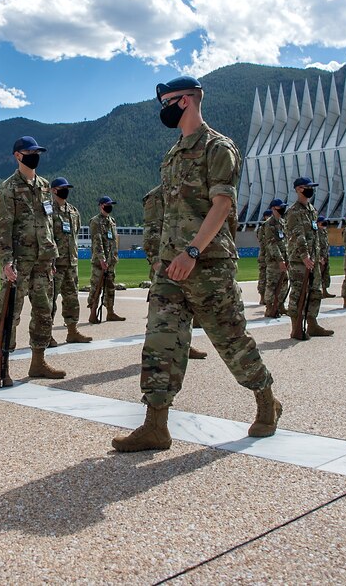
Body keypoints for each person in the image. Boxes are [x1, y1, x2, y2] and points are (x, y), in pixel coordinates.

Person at [112, 76, 280, 452]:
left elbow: (222, 205)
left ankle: (266, 400)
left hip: (207, 265)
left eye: (167, 102)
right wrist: (163, 258)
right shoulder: (172, 155)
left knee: (230, 339)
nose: (163, 109)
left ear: (186, 101)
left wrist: (192, 252)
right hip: (171, 267)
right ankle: (156, 425)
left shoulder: (218, 148)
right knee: (160, 341)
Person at [0, 136, 66, 379]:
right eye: (30, 151)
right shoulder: (8, 188)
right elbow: (2, 227)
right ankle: (3, 364)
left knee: (44, 311)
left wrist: (52, 257)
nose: (35, 156)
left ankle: (38, 362)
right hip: (20, 262)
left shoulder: (45, 186)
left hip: (43, 261)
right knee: (11, 312)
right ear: (17, 155)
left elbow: (49, 223)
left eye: (38, 152)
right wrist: (6, 261)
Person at [143, 185, 205, 359]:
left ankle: (183, 345)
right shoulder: (156, 196)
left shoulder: (185, 190)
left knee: (185, 309)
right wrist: (156, 263)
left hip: (185, 261)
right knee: (162, 314)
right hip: (166, 263)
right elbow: (151, 232)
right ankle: (157, 354)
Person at [285, 178, 333, 340]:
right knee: (299, 292)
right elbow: (297, 235)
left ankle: (312, 324)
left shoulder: (312, 210)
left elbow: (315, 235)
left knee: (315, 291)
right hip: (300, 260)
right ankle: (296, 327)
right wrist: (305, 256)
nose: (310, 190)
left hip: (313, 259)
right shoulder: (293, 211)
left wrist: (317, 256)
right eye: (307, 187)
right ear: (298, 189)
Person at [48, 178, 91, 345]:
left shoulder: (73, 211)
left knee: (71, 298)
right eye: (62, 188)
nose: (65, 190)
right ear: (53, 190)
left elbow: (76, 232)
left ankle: (72, 331)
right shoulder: (48, 210)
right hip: (55, 263)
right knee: (49, 300)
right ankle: (46, 334)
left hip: (71, 263)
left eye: (67, 188)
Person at [88, 196, 124, 323]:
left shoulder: (112, 221)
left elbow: (113, 241)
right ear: (101, 205)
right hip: (100, 262)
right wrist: (102, 259)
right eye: (108, 204)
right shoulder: (96, 221)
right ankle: (92, 312)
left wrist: (112, 258)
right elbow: (97, 242)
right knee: (96, 287)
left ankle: (110, 312)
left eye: (111, 204)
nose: (110, 206)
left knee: (110, 287)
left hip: (111, 261)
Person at [263, 199, 290, 317]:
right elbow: (271, 243)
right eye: (280, 207)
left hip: (285, 258)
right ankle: (269, 307)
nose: (283, 209)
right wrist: (280, 260)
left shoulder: (283, 222)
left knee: (284, 282)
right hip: (275, 261)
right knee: (272, 284)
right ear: (274, 208)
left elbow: (286, 241)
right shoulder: (269, 224)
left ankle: (280, 305)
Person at [316, 216, 332, 298]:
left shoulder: (324, 232)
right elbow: (317, 246)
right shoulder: (316, 232)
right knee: (319, 275)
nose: (325, 223)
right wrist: (319, 257)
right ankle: (319, 291)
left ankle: (325, 291)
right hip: (320, 257)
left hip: (326, 256)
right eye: (323, 222)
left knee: (326, 274)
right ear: (318, 223)